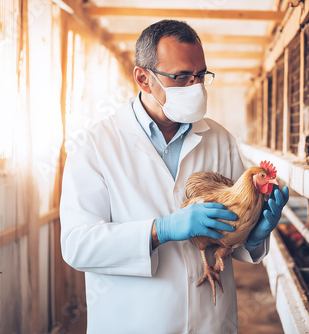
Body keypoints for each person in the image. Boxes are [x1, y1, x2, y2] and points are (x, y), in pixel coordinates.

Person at [60, 19, 289, 333]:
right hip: (134, 322)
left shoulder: (219, 138)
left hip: (211, 321)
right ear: (143, 78)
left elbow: (235, 231)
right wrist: (159, 231)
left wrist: (256, 234)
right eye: (181, 76)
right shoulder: (94, 146)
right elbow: (78, 245)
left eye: (200, 75)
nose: (195, 87)